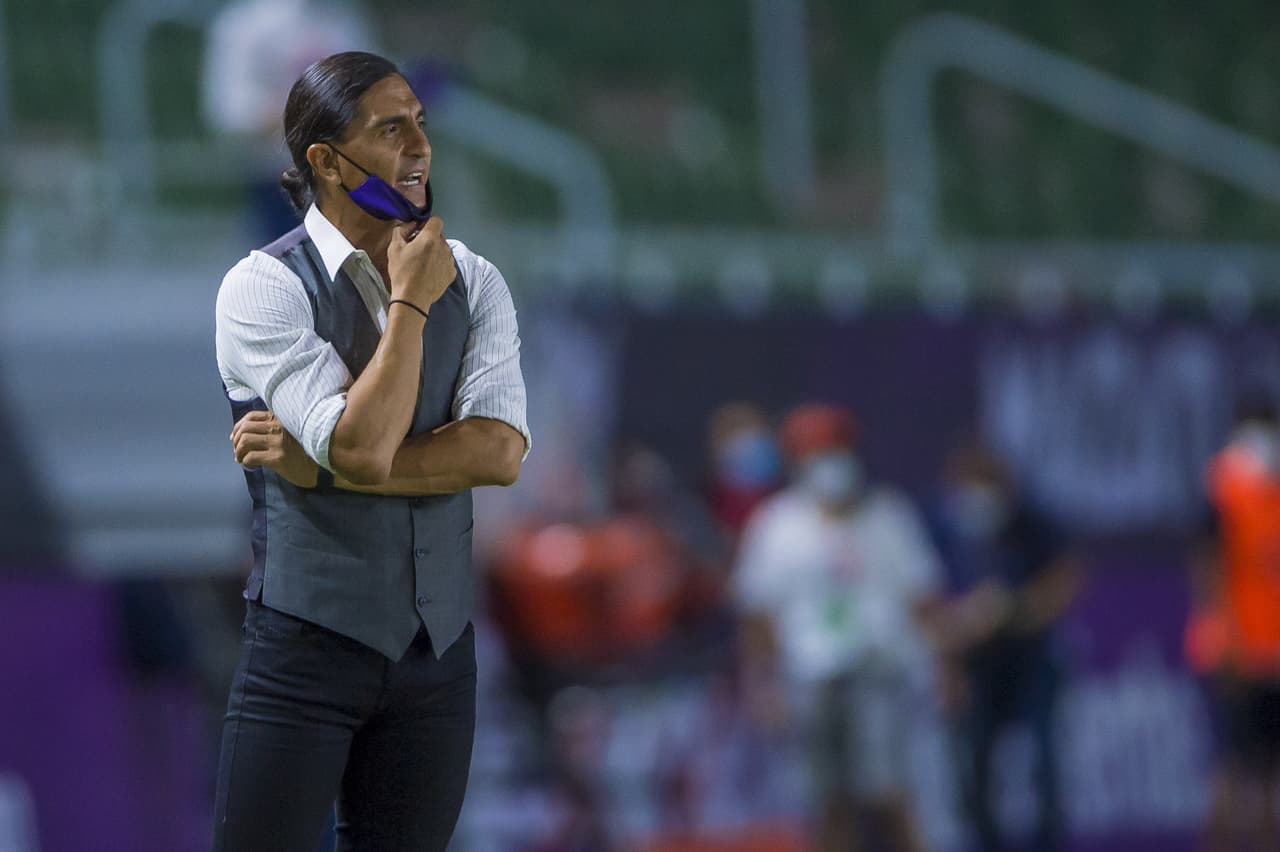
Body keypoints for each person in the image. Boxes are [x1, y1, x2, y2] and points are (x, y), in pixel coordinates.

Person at [212, 51, 530, 852]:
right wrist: (410, 303)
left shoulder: (479, 279)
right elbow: (361, 440)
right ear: (323, 160)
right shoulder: (262, 286)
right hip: (305, 652)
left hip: (438, 659)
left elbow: (496, 455)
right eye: (392, 130)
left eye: (421, 125)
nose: (420, 149)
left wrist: (319, 467)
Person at [731, 403, 941, 852]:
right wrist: (763, 683)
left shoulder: (887, 515)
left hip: (879, 671)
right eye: (814, 453)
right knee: (827, 802)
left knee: (889, 793)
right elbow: (756, 612)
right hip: (810, 678)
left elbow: (923, 597)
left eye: (834, 450)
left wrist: (943, 666)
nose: (827, 464)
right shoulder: (777, 524)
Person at [929, 442, 1079, 852]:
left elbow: (1063, 582)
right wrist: (960, 628)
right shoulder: (943, 529)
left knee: (1044, 762)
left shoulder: (1031, 524)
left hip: (1032, 661)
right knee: (973, 765)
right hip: (975, 665)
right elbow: (924, 604)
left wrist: (1011, 608)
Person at [1187, 397, 1280, 852]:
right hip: (1233, 652)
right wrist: (1229, 640)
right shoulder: (1223, 485)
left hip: (1272, 652)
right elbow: (1209, 569)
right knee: (1231, 767)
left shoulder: (1272, 488)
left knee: (1269, 777)